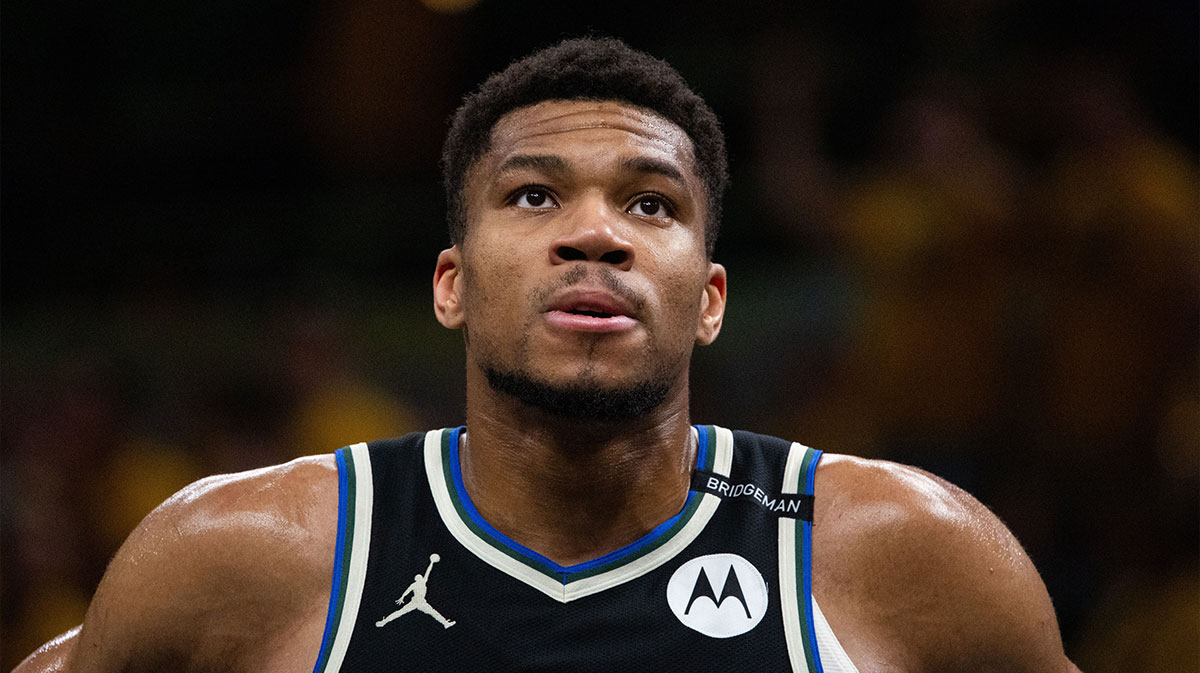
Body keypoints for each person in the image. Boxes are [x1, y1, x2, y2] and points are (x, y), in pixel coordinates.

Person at [16, 37, 1082, 672]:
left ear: (709, 300)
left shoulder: (904, 552)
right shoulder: (244, 554)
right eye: (533, 195)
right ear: (452, 283)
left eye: (650, 203)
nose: (594, 232)